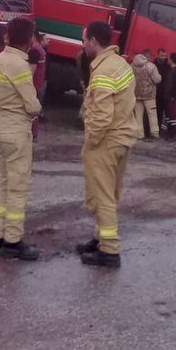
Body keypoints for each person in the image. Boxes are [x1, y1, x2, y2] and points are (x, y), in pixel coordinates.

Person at [75, 21, 138, 268]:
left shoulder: (102, 72)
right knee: (110, 193)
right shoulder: (121, 64)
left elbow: (101, 117)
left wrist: (91, 142)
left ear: (93, 41)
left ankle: (109, 250)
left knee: (103, 197)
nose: (82, 45)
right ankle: (101, 239)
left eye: (84, 40)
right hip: (123, 138)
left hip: (107, 141)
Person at [0, 18, 43, 261]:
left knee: (3, 185)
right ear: (30, 40)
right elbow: (32, 106)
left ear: (8, 35)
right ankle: (13, 241)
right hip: (16, 131)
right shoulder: (20, 66)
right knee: (18, 187)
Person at [132, 49, 162, 140]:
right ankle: (154, 133)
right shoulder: (151, 67)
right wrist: (160, 77)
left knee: (138, 115)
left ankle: (139, 134)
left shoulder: (132, 66)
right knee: (152, 114)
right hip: (149, 95)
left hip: (137, 94)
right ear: (147, 56)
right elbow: (157, 79)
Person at [27, 31, 48, 141]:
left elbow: (31, 71)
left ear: (33, 37)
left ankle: (32, 133)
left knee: (31, 110)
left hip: (33, 85)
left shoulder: (34, 51)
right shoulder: (41, 50)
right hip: (39, 84)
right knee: (35, 109)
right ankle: (34, 133)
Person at [164, 53, 176, 140]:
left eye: (169, 58)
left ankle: (175, 135)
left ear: (171, 59)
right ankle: (169, 133)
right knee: (169, 115)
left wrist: (173, 96)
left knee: (173, 115)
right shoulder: (172, 69)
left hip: (172, 96)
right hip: (169, 96)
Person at [154, 49, 170, 132]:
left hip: (163, 93)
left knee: (160, 112)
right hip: (153, 92)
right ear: (158, 55)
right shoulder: (154, 64)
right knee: (152, 112)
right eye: (161, 55)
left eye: (164, 56)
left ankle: (158, 130)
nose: (163, 57)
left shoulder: (168, 66)